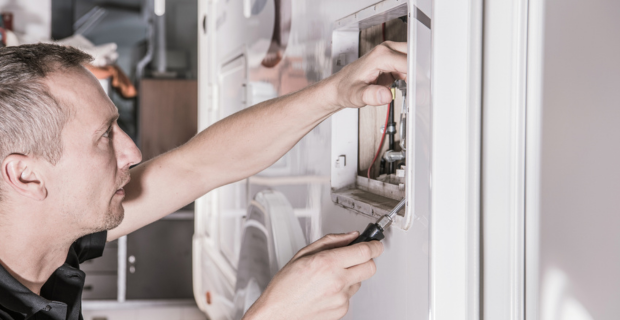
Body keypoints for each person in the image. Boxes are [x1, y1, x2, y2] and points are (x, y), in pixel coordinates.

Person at [0, 41, 407, 320]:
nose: (133, 153)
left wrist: (335, 92)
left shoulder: (48, 240)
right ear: (27, 175)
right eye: (104, 136)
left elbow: (197, 166)